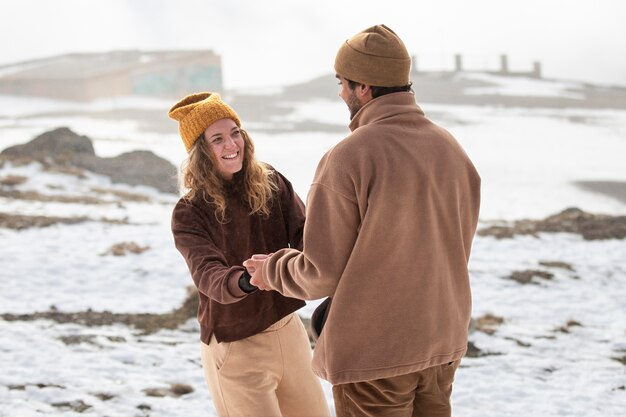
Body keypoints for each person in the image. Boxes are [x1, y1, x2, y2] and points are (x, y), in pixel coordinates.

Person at [244, 24, 481, 417]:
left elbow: (321, 273)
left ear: (364, 88)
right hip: (442, 340)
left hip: (377, 354)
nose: (340, 92)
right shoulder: (450, 148)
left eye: (342, 82)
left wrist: (272, 269)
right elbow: (455, 247)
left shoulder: (349, 157)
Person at [168, 92, 330, 417]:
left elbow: (307, 237)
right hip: (235, 346)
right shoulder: (189, 213)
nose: (232, 145)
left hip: (288, 331)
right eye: (217, 139)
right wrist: (247, 278)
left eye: (235, 132)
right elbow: (208, 276)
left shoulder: (271, 183)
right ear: (201, 151)